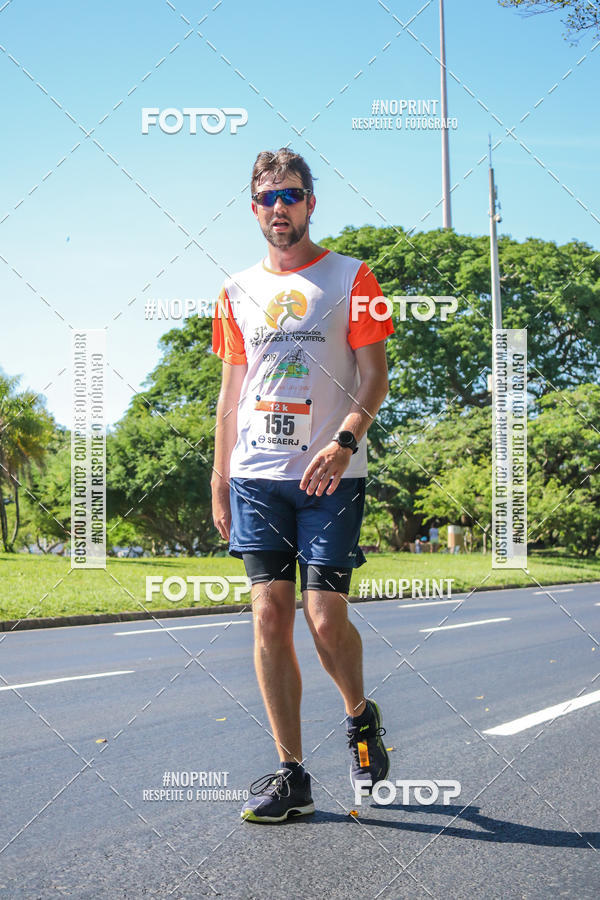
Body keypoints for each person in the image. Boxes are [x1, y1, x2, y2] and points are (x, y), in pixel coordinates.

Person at [211, 148, 394, 823]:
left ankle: (358, 716)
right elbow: (232, 391)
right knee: (268, 613)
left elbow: (374, 376)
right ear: (253, 207)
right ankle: (292, 774)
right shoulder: (234, 291)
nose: (279, 208)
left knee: (323, 618)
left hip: (331, 475)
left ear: (311, 204)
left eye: (290, 195)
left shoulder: (354, 277)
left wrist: (345, 441)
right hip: (258, 474)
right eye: (267, 198)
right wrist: (219, 473)